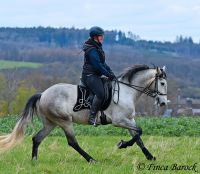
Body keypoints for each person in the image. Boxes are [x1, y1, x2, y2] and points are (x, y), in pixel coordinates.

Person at [81, 26, 116, 125]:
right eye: (101, 36)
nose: (102, 38)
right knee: (100, 93)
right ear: (95, 37)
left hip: (95, 74)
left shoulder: (97, 47)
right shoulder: (92, 49)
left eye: (102, 36)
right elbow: (97, 66)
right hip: (89, 75)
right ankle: (91, 117)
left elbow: (103, 63)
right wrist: (108, 74)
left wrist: (111, 72)